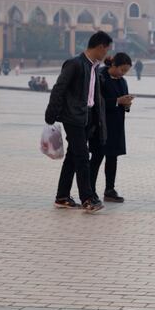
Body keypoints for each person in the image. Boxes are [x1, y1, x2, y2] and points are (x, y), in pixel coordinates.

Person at [44, 31, 112, 213]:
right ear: (99, 47)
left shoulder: (93, 67)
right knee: (82, 157)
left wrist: (97, 120)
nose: (106, 54)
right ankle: (88, 199)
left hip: (86, 117)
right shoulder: (74, 64)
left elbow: (93, 96)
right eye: (106, 50)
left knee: (73, 157)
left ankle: (62, 196)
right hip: (72, 117)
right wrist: (50, 115)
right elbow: (59, 88)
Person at [89, 53, 134, 203]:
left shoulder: (122, 81)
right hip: (101, 125)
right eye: (122, 69)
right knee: (96, 158)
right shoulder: (100, 77)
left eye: (126, 71)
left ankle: (110, 189)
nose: (123, 73)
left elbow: (123, 102)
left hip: (116, 125)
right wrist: (116, 101)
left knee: (112, 158)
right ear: (113, 65)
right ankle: (90, 191)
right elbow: (95, 101)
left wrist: (126, 104)